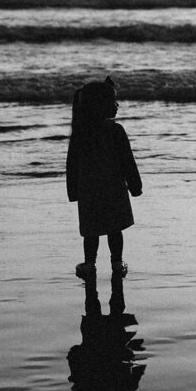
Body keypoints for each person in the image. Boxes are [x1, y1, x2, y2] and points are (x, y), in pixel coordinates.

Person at [66, 78, 142, 278]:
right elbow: (128, 161)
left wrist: (73, 190)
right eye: (112, 102)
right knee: (114, 229)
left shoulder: (81, 133)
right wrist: (135, 185)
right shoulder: (115, 131)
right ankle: (116, 262)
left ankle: (89, 264)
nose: (116, 106)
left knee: (91, 231)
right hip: (113, 188)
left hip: (88, 190)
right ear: (100, 106)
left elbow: (72, 164)